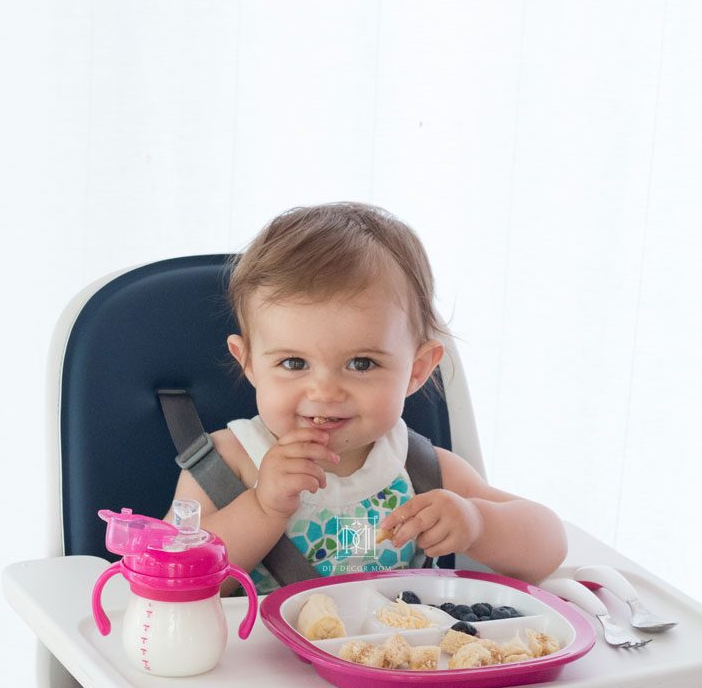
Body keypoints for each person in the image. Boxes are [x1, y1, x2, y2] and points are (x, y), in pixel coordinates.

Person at [166, 201, 567, 594]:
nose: (324, 392)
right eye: (293, 363)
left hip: (396, 656)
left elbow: (549, 547)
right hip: (255, 658)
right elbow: (167, 574)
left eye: (361, 364)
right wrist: (263, 508)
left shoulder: (420, 469)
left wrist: (478, 523)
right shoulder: (228, 464)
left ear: (417, 370)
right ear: (249, 363)